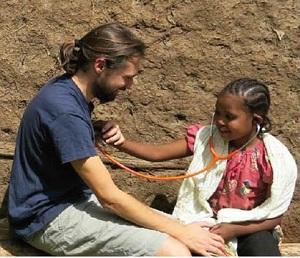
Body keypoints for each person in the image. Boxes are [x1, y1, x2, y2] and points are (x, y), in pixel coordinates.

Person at [8, 23, 226, 256]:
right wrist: (181, 232)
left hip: (72, 200)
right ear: (100, 65)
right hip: (45, 218)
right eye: (127, 77)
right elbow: (110, 198)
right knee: (174, 250)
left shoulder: (67, 92)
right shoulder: (65, 111)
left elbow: (56, 134)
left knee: (193, 230)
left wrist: (92, 129)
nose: (129, 86)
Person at [99, 78, 297, 256]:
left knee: (262, 248)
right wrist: (120, 142)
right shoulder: (207, 139)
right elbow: (156, 154)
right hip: (206, 223)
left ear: (256, 120)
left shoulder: (274, 158)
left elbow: (274, 215)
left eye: (230, 117)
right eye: (217, 113)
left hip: (251, 227)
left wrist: (235, 229)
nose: (220, 121)